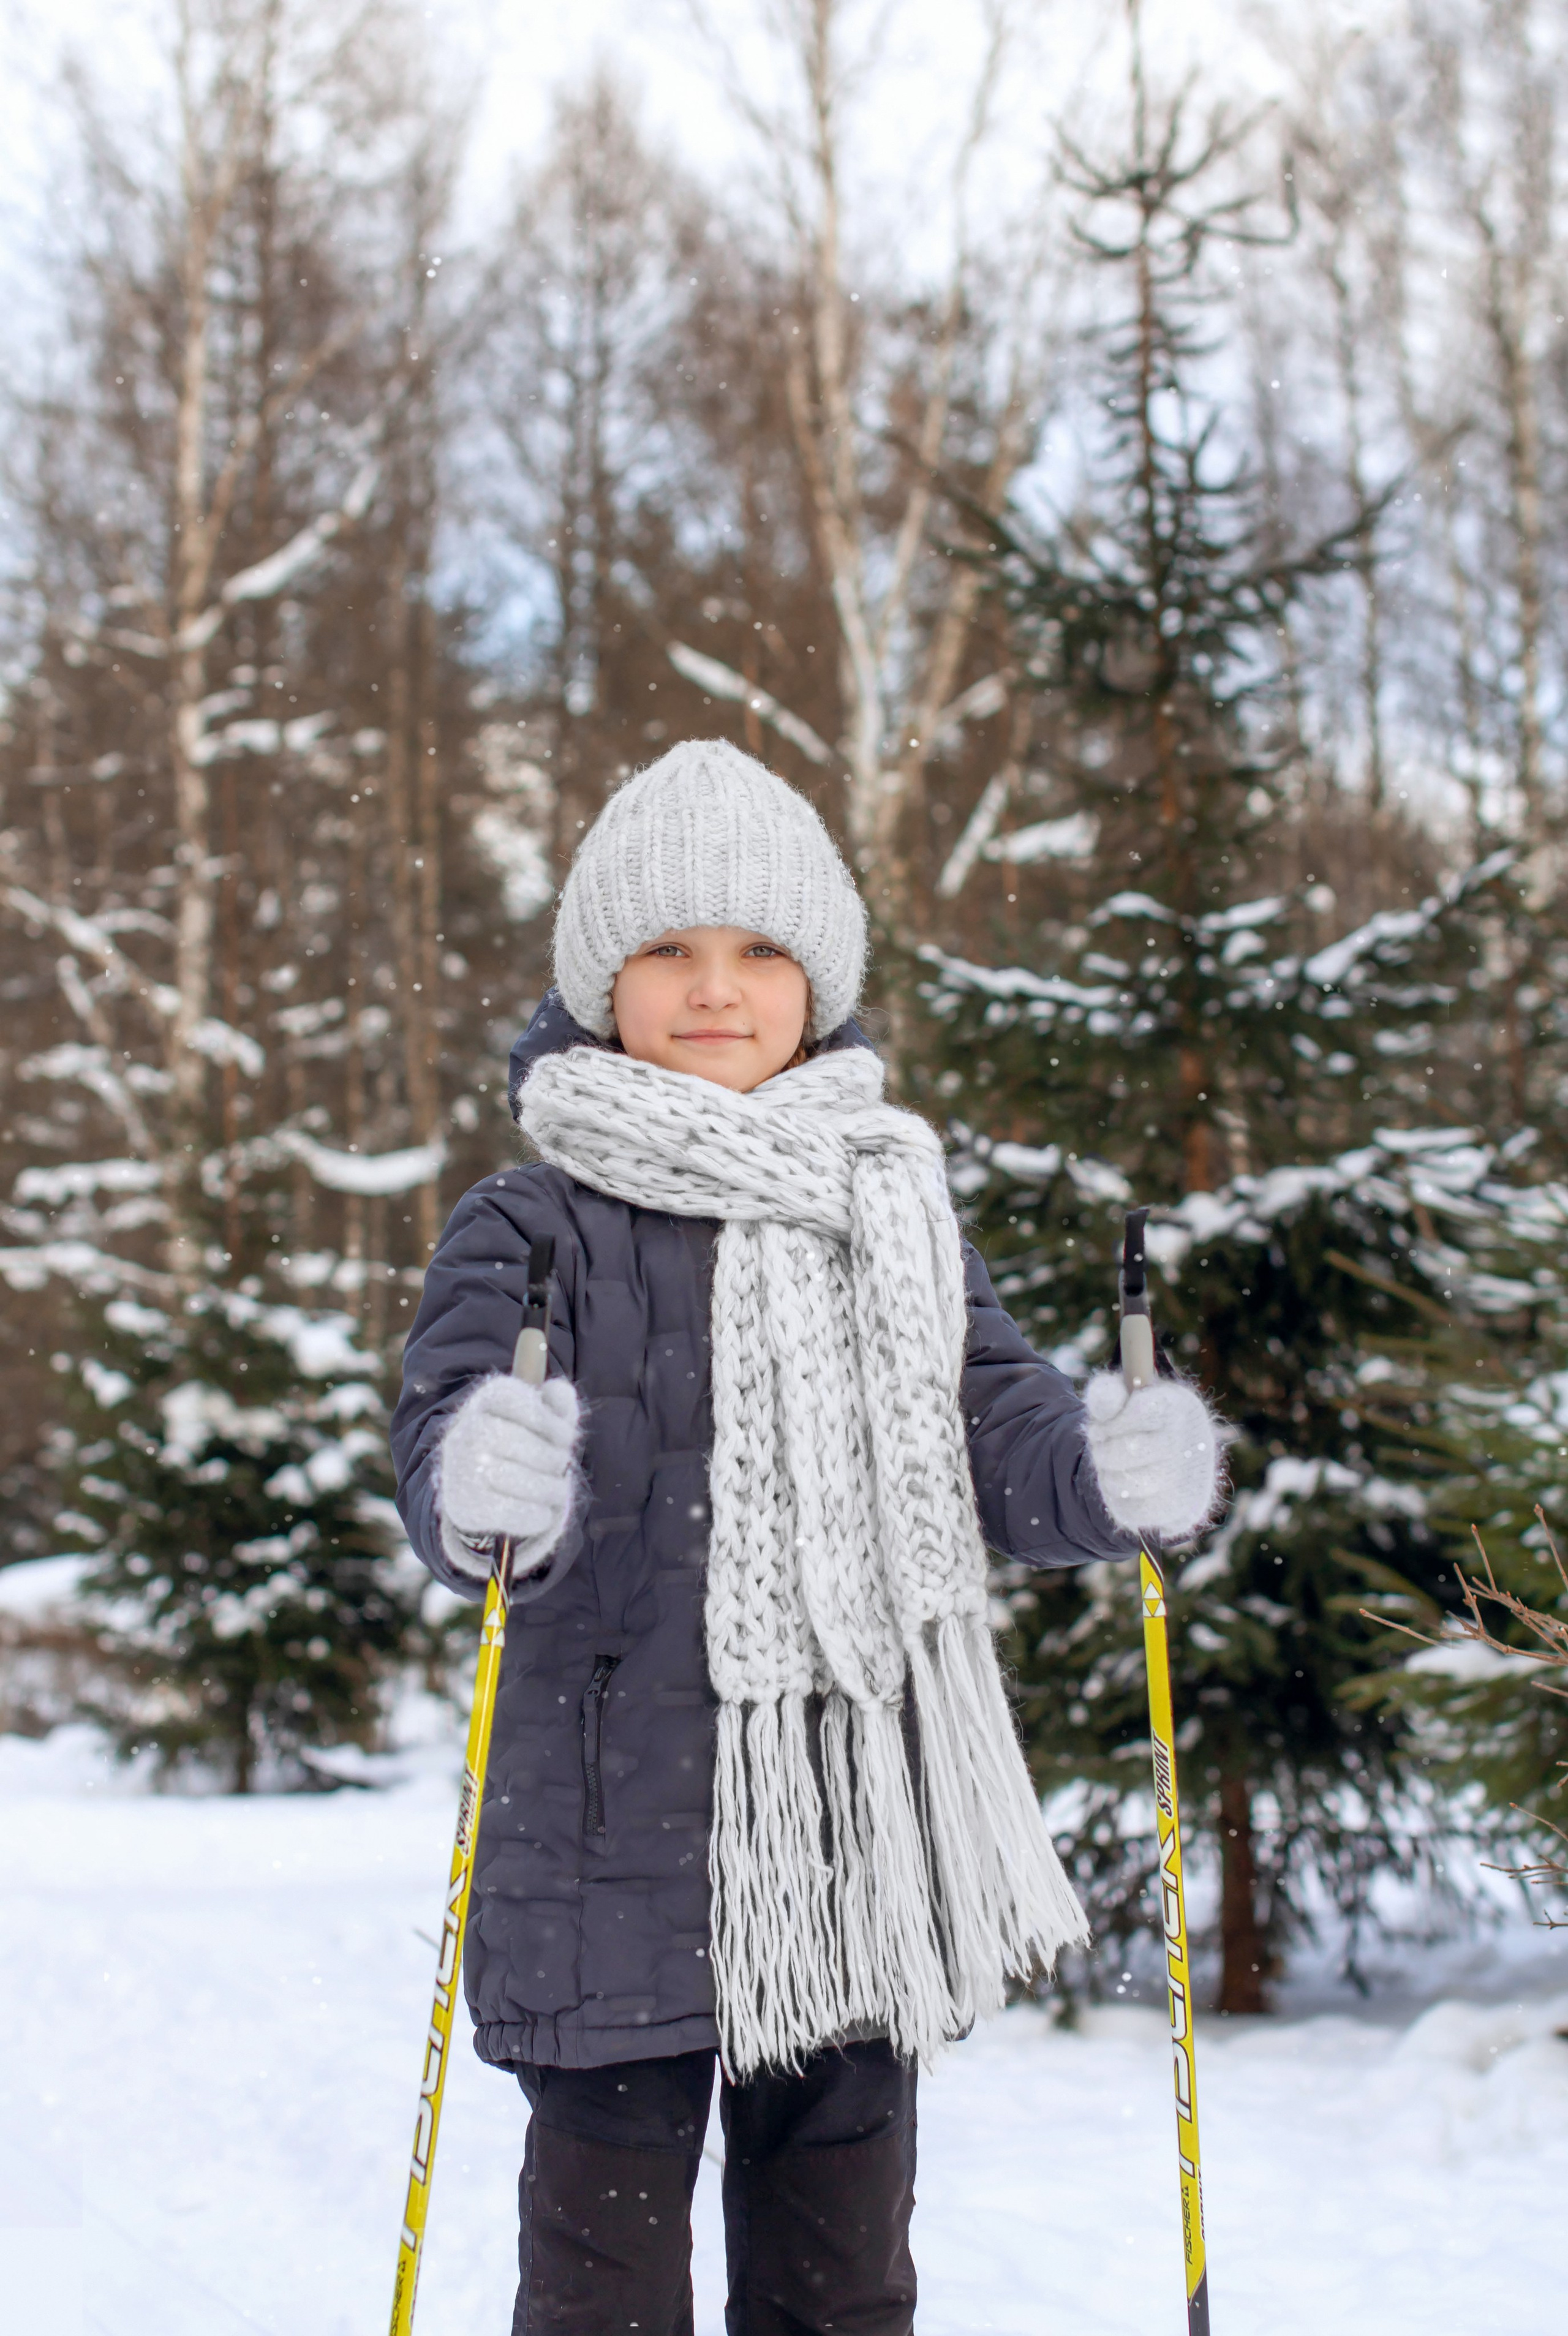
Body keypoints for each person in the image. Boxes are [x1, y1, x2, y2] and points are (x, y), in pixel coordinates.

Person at [392, 737, 1222, 2336]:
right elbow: (442, 1464)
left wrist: (1114, 1471)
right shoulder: (529, 1220)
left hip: (846, 1844)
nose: (718, 989)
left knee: (839, 2290)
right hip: (599, 1858)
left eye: (761, 948)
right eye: (671, 950)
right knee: (602, 2298)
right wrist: (483, 1483)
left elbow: (1006, 1437)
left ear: (818, 980)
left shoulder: (893, 1212)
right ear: (600, 981)